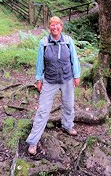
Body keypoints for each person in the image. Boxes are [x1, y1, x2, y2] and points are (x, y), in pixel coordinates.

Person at [26, 16, 81, 155]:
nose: (55, 27)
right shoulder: (43, 43)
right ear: (49, 27)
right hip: (50, 80)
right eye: (52, 25)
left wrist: (76, 75)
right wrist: (39, 79)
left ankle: (68, 126)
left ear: (61, 27)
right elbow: (40, 62)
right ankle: (33, 141)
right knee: (43, 110)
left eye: (57, 25)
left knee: (68, 105)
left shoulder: (68, 41)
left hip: (67, 78)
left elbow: (74, 58)